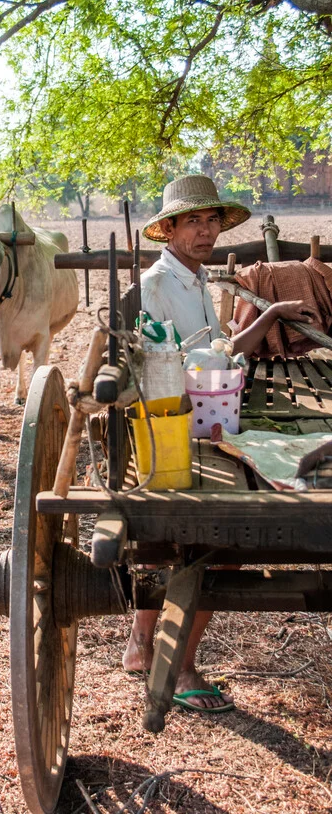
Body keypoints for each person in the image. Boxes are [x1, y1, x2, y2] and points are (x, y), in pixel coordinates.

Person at [123, 174, 313, 713]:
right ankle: (181, 668)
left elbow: (223, 354)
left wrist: (270, 316)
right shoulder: (155, 287)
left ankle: (141, 644)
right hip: (179, 428)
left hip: (208, 417)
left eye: (211, 221)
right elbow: (161, 369)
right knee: (219, 547)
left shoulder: (196, 279)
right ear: (170, 230)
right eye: (193, 222)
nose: (205, 231)